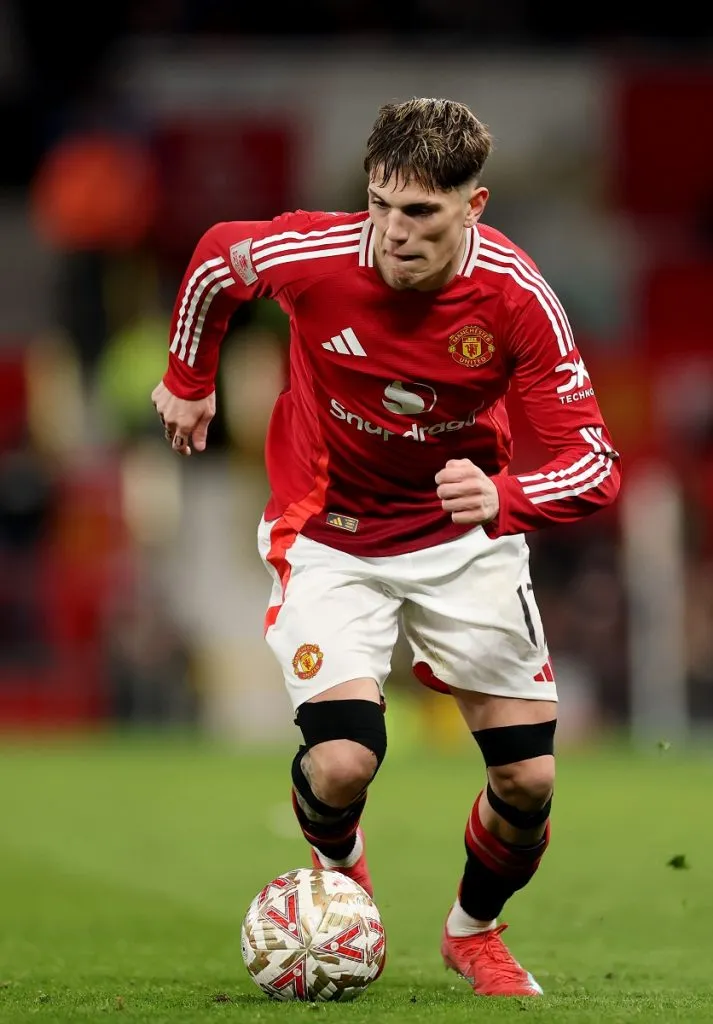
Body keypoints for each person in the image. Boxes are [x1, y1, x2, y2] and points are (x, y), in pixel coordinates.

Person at [151, 97, 621, 997]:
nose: (391, 232)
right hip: (331, 536)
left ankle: (473, 933)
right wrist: (189, 377)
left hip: (462, 541)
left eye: (418, 212)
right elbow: (216, 257)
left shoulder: (516, 297)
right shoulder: (315, 255)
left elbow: (594, 462)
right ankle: (343, 888)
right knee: (340, 762)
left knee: (527, 780)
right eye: (378, 204)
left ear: (472, 208)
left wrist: (506, 495)